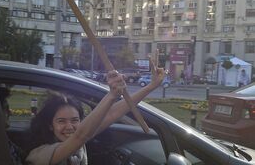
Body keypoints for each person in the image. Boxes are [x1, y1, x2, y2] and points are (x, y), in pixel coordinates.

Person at [26, 63, 165, 165]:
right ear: (50, 125)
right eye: (61, 121)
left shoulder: (78, 138)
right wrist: (112, 94)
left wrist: (151, 86)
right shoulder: (40, 155)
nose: (69, 126)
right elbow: (80, 136)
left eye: (75, 120)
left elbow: (112, 113)